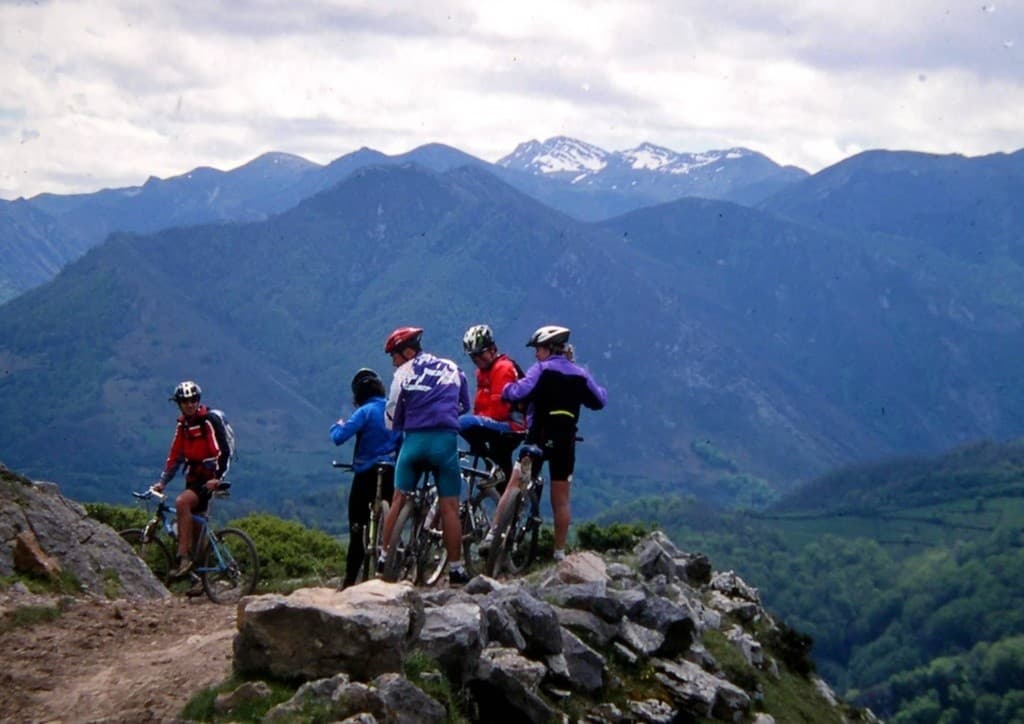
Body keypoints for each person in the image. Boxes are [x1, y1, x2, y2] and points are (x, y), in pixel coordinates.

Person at [482, 325, 607, 562]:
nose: (536, 354)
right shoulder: (581, 375)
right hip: (565, 444)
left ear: (549, 348)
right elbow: (599, 400)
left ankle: (492, 535)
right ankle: (559, 553)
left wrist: (506, 390)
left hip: (537, 438)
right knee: (561, 500)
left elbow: (519, 392)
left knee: (514, 484)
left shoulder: (541, 370)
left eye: (538, 349)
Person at [379, 326, 472, 585]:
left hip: (414, 442)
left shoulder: (403, 373)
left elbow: (392, 410)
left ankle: (385, 557)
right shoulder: (452, 368)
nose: (393, 361)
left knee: (398, 499)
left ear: (407, 352)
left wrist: (399, 425)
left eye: (394, 356)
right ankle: (455, 569)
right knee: (450, 507)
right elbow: (464, 405)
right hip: (445, 442)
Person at [330, 368, 401, 588]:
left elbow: (339, 438)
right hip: (391, 472)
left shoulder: (365, 411)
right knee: (394, 520)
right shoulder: (393, 410)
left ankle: (350, 580)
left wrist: (338, 425)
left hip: (366, 475)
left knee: (357, 527)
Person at [153, 380, 229, 579]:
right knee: (196, 528)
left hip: (208, 480)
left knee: (181, 502)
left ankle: (183, 558)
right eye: (185, 401)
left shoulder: (208, 422)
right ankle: (201, 580)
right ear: (179, 403)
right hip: (193, 478)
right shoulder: (183, 426)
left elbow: (222, 451)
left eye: (193, 400)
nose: (190, 404)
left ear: (198, 400)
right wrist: (163, 482)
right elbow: (175, 455)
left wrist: (217, 478)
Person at [457, 323, 527, 484]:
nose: (477, 360)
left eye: (480, 355)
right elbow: (481, 405)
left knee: (462, 423)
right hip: (501, 424)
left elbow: (499, 411)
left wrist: (479, 425)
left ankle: (491, 464)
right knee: (500, 467)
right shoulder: (484, 372)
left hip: (511, 425)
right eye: (473, 357)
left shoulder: (502, 368)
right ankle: (505, 496)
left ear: (492, 349)